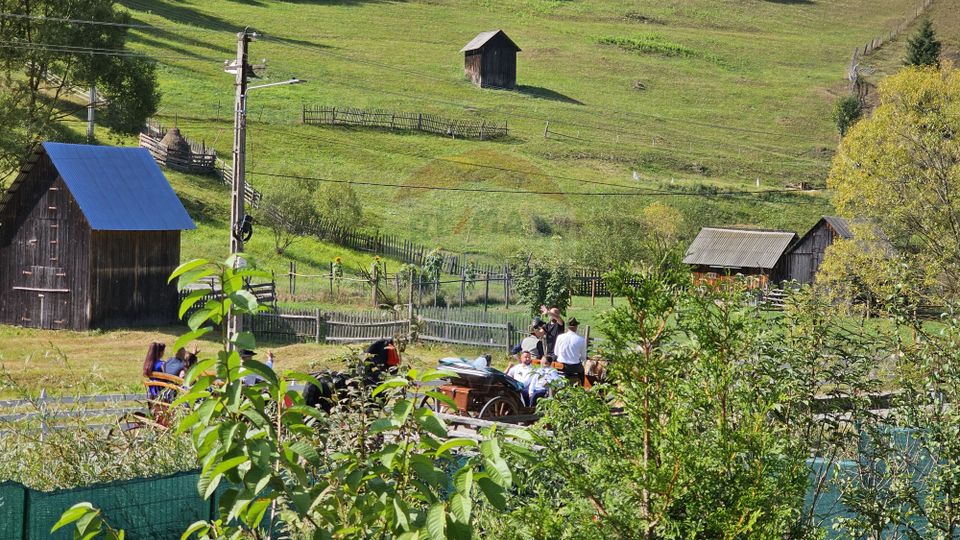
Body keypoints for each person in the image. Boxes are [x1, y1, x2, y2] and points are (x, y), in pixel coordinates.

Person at [554, 317, 587, 385]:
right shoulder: (581, 339)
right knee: (582, 371)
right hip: (574, 367)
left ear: (567, 327)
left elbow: (556, 352)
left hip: (561, 366)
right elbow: (583, 357)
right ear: (576, 327)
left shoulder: (560, 337)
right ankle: (581, 388)